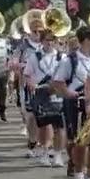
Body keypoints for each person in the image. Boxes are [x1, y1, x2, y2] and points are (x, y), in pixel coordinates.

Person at [54, 27, 90, 179]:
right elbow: (58, 82)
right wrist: (68, 93)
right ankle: (79, 178)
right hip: (76, 103)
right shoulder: (70, 60)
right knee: (79, 141)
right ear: (85, 40)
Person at [24, 30, 67, 168]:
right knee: (44, 125)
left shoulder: (62, 57)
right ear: (41, 41)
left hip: (57, 93)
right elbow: (27, 74)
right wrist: (30, 83)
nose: (49, 43)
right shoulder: (34, 57)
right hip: (41, 92)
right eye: (47, 40)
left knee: (60, 126)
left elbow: (66, 75)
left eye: (52, 40)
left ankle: (58, 154)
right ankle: (44, 152)